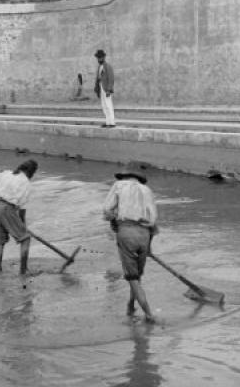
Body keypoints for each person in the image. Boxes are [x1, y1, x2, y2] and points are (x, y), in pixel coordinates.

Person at [103, 161, 158, 323]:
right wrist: (149, 248)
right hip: (145, 235)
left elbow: (106, 210)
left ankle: (149, 314)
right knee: (137, 276)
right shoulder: (147, 190)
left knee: (132, 277)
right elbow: (153, 222)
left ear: (125, 174)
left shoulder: (119, 185)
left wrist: (113, 221)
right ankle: (130, 305)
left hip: (126, 231)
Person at [93, 49, 116, 128]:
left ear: (103, 58)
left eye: (100, 57)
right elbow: (98, 78)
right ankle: (107, 122)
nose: (99, 59)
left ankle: (112, 122)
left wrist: (109, 90)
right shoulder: (100, 67)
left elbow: (111, 78)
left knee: (108, 105)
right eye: (98, 58)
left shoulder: (108, 66)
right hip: (101, 88)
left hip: (106, 89)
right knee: (104, 105)